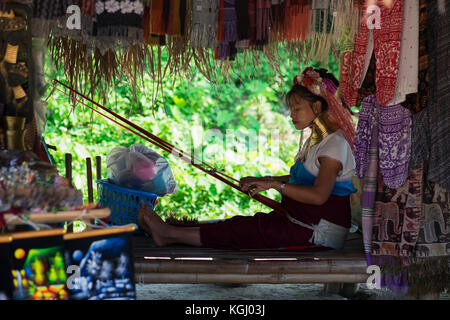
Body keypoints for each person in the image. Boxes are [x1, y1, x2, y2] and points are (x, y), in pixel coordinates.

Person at [138, 67, 357, 250]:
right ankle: (174, 230)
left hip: (317, 233)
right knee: (241, 224)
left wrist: (273, 184)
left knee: (242, 231)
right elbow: (304, 181)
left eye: (297, 109)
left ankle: (168, 233)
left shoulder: (334, 145)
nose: (291, 115)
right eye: (291, 109)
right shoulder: (317, 140)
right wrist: (266, 179)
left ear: (317, 106)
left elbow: (319, 195)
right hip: (301, 223)